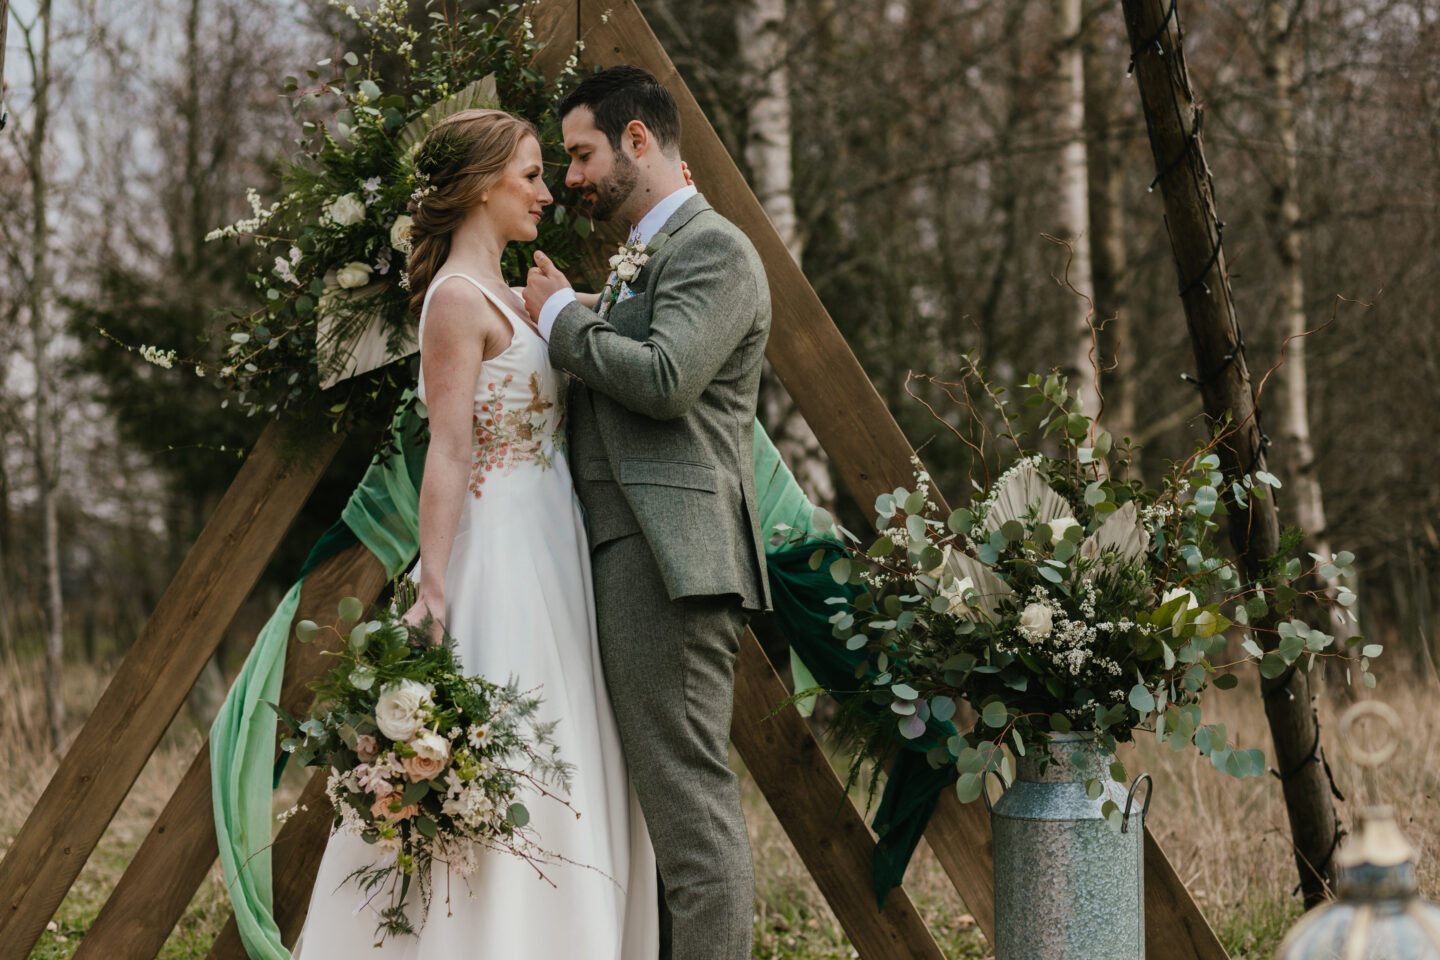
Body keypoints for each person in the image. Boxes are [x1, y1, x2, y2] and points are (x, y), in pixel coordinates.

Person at [292, 108, 659, 959]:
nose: (545, 190)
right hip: (502, 553)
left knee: (570, 745)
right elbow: (450, 453)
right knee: (515, 750)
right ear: (482, 184)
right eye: (530, 174)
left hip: (557, 542)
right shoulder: (456, 303)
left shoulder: (516, 289)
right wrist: (433, 586)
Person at [523, 66, 772, 960]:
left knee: (692, 822)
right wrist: (582, 308)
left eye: (582, 154)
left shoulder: (714, 249)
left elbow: (667, 381)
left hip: (671, 562)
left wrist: (558, 319)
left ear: (639, 140)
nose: (572, 178)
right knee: (660, 826)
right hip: (631, 556)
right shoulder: (645, 261)